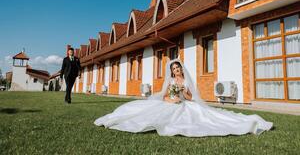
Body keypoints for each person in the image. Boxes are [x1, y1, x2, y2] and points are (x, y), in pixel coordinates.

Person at [94, 59, 273, 137]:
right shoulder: (170, 80)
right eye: (174, 69)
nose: (176, 70)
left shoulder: (185, 80)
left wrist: (182, 92)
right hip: (170, 103)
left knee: (204, 117)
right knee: (152, 114)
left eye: (178, 68)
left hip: (185, 103)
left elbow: (189, 97)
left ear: (181, 69)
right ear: (172, 71)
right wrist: (171, 99)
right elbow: (164, 96)